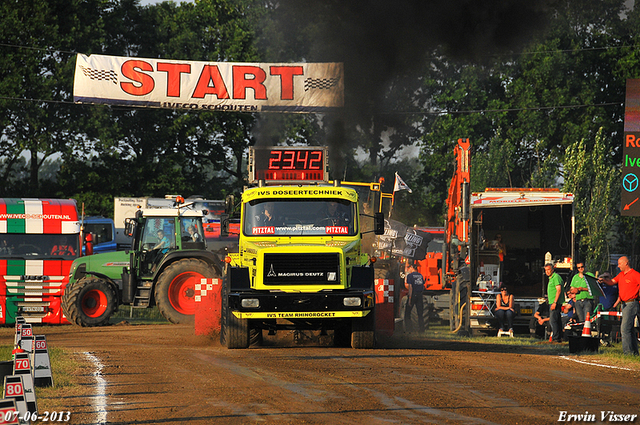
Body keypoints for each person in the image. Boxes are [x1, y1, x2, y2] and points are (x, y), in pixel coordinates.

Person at [601, 256, 640, 355]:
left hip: (631, 302)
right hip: (624, 304)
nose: (618, 266)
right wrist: (604, 281)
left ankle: (628, 352)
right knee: (629, 329)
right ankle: (634, 352)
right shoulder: (621, 275)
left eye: (619, 264)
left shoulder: (635, 275)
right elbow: (612, 281)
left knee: (625, 328)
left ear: (626, 263)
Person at [545, 263, 565, 343]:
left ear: (552, 269)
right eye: (546, 270)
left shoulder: (556, 277)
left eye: (548, 270)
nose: (547, 272)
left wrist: (554, 302)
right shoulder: (551, 278)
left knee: (553, 320)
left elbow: (559, 290)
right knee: (557, 320)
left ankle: (556, 338)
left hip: (555, 302)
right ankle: (559, 337)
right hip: (552, 301)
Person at [404, 262, 425, 333]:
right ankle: (422, 330)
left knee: (407, 313)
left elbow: (410, 287)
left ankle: (409, 329)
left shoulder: (410, 276)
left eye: (409, 267)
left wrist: (410, 298)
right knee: (420, 314)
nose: (408, 269)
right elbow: (423, 286)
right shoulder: (420, 275)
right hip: (420, 295)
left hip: (413, 295)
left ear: (412, 267)